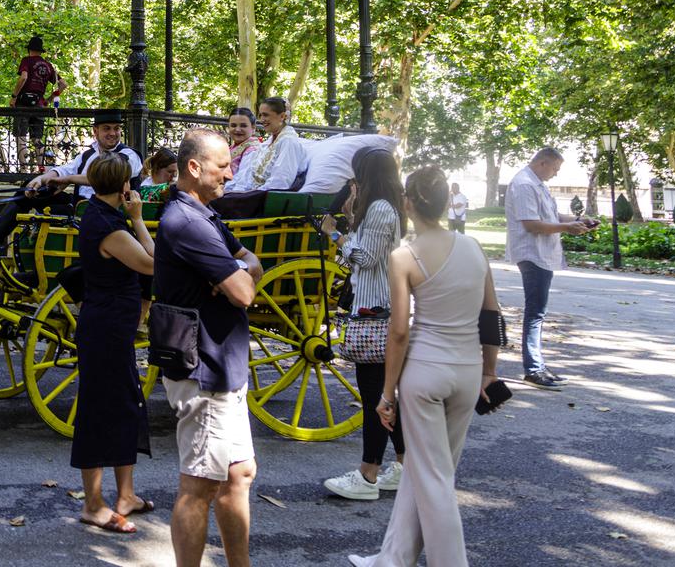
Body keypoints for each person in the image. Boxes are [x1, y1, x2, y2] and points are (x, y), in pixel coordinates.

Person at [348, 165, 505, 567]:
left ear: (409, 202)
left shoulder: (404, 255)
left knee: (434, 480)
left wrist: (386, 393)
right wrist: (490, 370)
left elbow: (399, 332)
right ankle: (392, 558)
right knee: (426, 469)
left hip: (425, 371)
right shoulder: (473, 248)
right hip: (468, 370)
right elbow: (492, 314)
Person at [155, 128, 261, 567]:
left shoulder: (205, 214)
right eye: (222, 166)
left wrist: (236, 273)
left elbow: (250, 265)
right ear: (194, 168)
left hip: (223, 365)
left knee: (239, 474)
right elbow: (244, 291)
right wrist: (236, 276)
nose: (231, 173)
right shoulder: (188, 222)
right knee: (199, 486)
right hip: (204, 369)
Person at [71, 154, 157, 534]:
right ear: (125, 187)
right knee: (98, 410)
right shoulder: (110, 226)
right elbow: (153, 263)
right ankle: (93, 504)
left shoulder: (102, 215)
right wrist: (139, 218)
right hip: (105, 327)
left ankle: (126, 495)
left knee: (126, 404)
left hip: (112, 325)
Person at [317, 148, 406, 501]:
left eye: (356, 175)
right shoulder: (381, 208)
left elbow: (365, 258)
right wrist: (352, 219)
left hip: (377, 310)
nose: (352, 182)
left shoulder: (382, 209)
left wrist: (334, 234)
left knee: (375, 397)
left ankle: (368, 475)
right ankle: (402, 465)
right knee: (384, 394)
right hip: (377, 307)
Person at [0, 111, 143, 254]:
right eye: (107, 128)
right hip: (80, 209)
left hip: (110, 214)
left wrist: (68, 179)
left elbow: (107, 177)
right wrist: (40, 179)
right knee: (29, 191)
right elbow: (65, 169)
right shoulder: (87, 155)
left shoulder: (129, 155)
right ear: (95, 131)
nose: (113, 133)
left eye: (116, 128)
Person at [504, 147, 594, 390]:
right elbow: (532, 224)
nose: (556, 174)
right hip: (532, 253)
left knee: (537, 312)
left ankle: (538, 365)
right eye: (555, 168)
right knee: (535, 312)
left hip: (541, 253)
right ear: (542, 163)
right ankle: (533, 369)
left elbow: (551, 215)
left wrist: (577, 222)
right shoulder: (524, 184)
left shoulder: (536, 183)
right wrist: (568, 228)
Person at [210, 97, 316, 218]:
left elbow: (280, 183)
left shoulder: (289, 142)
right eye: (260, 115)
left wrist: (245, 195)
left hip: (264, 201)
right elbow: (247, 175)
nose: (262, 120)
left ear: (282, 116)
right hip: (252, 195)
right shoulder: (267, 144)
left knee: (213, 204)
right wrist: (230, 190)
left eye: (266, 115)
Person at [11, 35, 66, 168]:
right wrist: (49, 99)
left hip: (23, 104)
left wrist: (14, 96)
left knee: (21, 137)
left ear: (29, 49)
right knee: (37, 139)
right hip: (39, 104)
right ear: (41, 51)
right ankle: (40, 169)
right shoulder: (48, 66)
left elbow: (23, 77)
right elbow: (63, 84)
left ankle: (23, 171)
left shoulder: (27, 61)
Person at [220, 108, 260, 192]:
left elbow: (243, 182)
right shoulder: (233, 147)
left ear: (253, 128)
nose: (237, 129)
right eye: (233, 125)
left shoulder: (253, 150)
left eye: (243, 126)